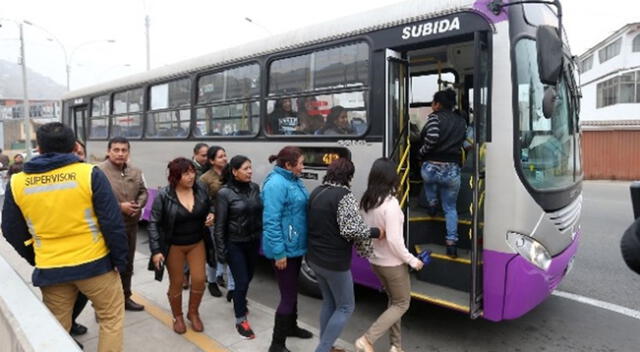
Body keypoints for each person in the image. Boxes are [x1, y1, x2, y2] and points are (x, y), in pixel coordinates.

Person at [1, 122, 128, 352]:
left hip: (52, 269)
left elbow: (10, 229)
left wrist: (36, 256)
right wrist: (120, 261)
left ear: (38, 147)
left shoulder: (18, 182)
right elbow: (113, 223)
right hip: (96, 266)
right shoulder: (89, 174)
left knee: (56, 329)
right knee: (111, 319)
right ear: (72, 146)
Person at [306, 158, 382, 352]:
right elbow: (351, 230)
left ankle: (327, 346)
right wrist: (375, 232)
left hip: (314, 258)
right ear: (348, 176)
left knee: (330, 302)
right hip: (334, 263)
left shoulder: (317, 191)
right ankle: (322, 349)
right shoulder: (344, 196)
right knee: (346, 306)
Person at [355, 158, 424, 352]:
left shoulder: (367, 200)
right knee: (402, 303)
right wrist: (413, 260)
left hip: (375, 261)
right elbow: (395, 241)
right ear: (391, 177)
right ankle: (367, 339)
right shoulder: (391, 205)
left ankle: (396, 346)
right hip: (392, 264)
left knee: (394, 302)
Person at [148, 157, 214, 334]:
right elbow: (154, 223)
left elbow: (210, 206)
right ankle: (177, 315)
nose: (191, 176)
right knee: (176, 282)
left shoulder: (200, 189)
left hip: (196, 242)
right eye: (186, 173)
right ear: (175, 176)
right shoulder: (164, 196)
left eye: (193, 172)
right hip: (174, 245)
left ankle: (193, 313)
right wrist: (156, 251)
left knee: (199, 279)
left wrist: (211, 215)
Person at [262, 146, 313, 352]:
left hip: (295, 246)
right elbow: (271, 221)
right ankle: (277, 345)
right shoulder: (276, 184)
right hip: (284, 250)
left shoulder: (292, 180)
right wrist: (279, 252)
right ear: (288, 165)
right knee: (288, 296)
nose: (303, 166)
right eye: (300, 163)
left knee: (292, 291)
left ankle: (291, 327)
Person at [214, 155, 263, 339]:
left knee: (247, 278)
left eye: (250, 168)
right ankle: (240, 319)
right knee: (241, 281)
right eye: (245, 168)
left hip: (252, 242)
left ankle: (238, 299)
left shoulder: (254, 188)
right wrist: (221, 252)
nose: (250, 171)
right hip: (234, 243)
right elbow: (219, 225)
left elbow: (258, 213)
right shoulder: (224, 193)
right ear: (234, 172)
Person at [98, 136, 149, 311]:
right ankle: (102, 306)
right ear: (108, 151)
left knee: (127, 264)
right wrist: (120, 207)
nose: (120, 154)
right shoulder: (98, 172)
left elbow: (143, 191)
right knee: (106, 268)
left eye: (124, 150)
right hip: (108, 228)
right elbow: (95, 200)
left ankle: (126, 297)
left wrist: (138, 205)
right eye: (116, 150)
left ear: (128, 152)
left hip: (131, 225)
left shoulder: (135, 171)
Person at [418, 89, 466, 258]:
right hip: (452, 169)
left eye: (433, 103)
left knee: (428, 180)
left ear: (437, 104)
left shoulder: (434, 118)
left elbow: (431, 138)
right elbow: (464, 141)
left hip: (432, 166)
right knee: (450, 208)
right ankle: (451, 244)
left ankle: (431, 203)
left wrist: (422, 152)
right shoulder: (461, 121)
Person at [199, 146, 235, 299]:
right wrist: (210, 214)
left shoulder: (231, 174)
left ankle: (233, 288)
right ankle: (212, 281)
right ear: (212, 160)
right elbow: (202, 201)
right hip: (214, 221)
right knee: (214, 252)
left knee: (233, 252)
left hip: (232, 219)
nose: (225, 159)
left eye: (225, 155)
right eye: (220, 157)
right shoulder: (205, 179)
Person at [68, 139, 89, 337]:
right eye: (75, 153)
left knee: (83, 295)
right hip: (56, 259)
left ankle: (71, 323)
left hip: (86, 254)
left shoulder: (90, 176)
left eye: (81, 153)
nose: (78, 157)